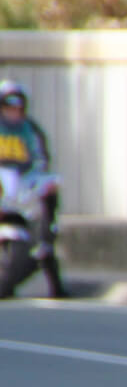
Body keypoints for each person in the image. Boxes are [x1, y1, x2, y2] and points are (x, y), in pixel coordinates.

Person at [0, 80, 64, 300]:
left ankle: (45, 242)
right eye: (9, 107)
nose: (14, 113)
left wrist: (37, 180)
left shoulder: (31, 130)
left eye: (18, 108)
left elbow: (42, 159)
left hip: (20, 188)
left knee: (52, 183)